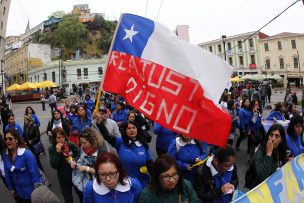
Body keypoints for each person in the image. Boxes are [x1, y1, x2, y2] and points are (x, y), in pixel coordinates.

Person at [96, 120, 153, 188]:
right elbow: (107, 136)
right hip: (124, 181)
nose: (131, 130)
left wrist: (155, 180)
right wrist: (100, 123)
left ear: (137, 130)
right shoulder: (120, 142)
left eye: (133, 128)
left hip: (142, 182)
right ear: (125, 131)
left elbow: (150, 164)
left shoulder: (144, 145)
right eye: (128, 128)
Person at [2, 128, 42, 202]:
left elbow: (35, 174)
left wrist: (38, 193)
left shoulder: (27, 154)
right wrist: (11, 188)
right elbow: (7, 174)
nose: (7, 141)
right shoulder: (6, 156)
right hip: (19, 194)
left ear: (16, 140)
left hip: (32, 194)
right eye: (6, 139)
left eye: (10, 138)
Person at [71, 128, 108, 196]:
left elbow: (104, 172)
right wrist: (74, 162)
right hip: (83, 187)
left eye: (84, 143)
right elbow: (80, 159)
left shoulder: (102, 153)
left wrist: (87, 168)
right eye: (81, 143)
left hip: (99, 187)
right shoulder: (83, 149)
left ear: (92, 141)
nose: (82, 145)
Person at [48, 127, 81, 203]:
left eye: (63, 137)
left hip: (75, 175)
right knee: (68, 199)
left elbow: (80, 153)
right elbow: (54, 165)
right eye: (58, 138)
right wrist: (58, 153)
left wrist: (74, 160)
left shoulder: (70, 144)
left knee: (81, 194)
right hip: (64, 178)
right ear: (54, 139)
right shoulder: (52, 149)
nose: (61, 140)